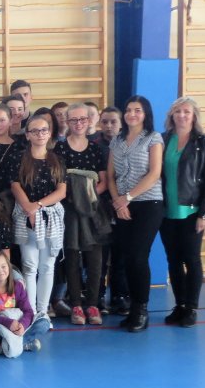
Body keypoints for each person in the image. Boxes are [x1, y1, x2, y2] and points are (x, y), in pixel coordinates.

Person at [107, 95, 164, 332]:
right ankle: (132, 308)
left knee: (139, 256)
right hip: (123, 206)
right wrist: (118, 203)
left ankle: (141, 310)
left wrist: (128, 197)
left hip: (148, 203)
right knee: (127, 257)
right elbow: (111, 176)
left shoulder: (153, 138)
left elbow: (154, 173)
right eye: (128, 109)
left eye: (137, 110)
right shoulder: (117, 140)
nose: (132, 114)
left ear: (145, 114)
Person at [160, 97, 205, 327]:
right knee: (173, 260)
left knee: (191, 259)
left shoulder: (204, 141)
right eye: (177, 111)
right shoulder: (163, 139)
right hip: (166, 211)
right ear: (171, 115)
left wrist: (204, 214)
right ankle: (180, 305)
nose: (182, 115)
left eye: (186, 112)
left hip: (192, 212)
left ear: (194, 116)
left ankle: (191, 307)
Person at [54, 104, 108, 325]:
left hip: (93, 209)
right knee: (72, 257)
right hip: (69, 210)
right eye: (73, 120)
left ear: (89, 121)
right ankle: (76, 303)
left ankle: (93, 304)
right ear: (67, 122)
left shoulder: (96, 149)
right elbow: (57, 181)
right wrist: (74, 197)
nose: (78, 124)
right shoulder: (59, 149)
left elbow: (104, 182)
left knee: (95, 258)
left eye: (82, 119)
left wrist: (87, 197)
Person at [10, 115, 66, 327]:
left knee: (47, 266)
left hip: (50, 218)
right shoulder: (19, 158)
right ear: (27, 135)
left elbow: (61, 191)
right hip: (26, 218)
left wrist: (39, 206)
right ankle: (30, 313)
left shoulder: (57, 160)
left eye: (44, 130)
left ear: (49, 133)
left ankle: (43, 312)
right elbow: (15, 185)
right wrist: (28, 207)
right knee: (29, 266)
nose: (40, 134)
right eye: (35, 131)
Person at [0, 250, 43, 357]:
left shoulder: (18, 286)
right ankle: (23, 344)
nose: (0, 271)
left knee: (43, 323)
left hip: (17, 325)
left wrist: (23, 325)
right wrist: (8, 323)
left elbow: (28, 311)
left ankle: (0, 348)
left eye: (3, 266)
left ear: (9, 268)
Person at [95, 106, 127, 314]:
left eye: (113, 121)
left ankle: (119, 296)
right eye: (105, 121)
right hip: (100, 207)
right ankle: (97, 296)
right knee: (100, 255)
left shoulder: (127, 144)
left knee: (121, 254)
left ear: (121, 123)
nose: (108, 126)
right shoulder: (94, 146)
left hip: (124, 205)